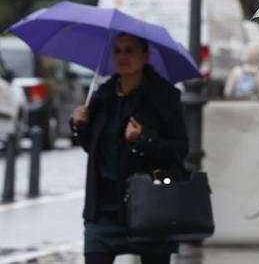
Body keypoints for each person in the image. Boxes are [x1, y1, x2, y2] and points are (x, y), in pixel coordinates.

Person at [70, 33, 188, 264]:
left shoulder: (164, 97)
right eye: (117, 51)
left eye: (130, 50)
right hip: (103, 211)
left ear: (145, 56)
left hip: (150, 206)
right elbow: (92, 149)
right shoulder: (102, 97)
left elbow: (180, 149)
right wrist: (80, 125)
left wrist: (143, 139)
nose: (122, 56)